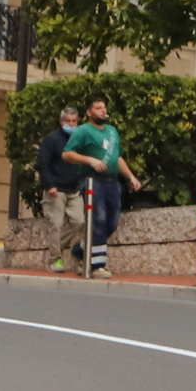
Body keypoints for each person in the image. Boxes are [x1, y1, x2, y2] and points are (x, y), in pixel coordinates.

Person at [61, 93, 142, 276]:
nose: (103, 110)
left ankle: (79, 251)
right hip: (92, 181)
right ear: (89, 112)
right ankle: (97, 265)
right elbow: (67, 154)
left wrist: (131, 176)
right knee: (98, 219)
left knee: (111, 223)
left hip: (112, 182)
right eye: (98, 108)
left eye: (104, 107)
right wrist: (90, 160)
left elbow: (117, 157)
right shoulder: (83, 131)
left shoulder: (112, 131)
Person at [35, 106, 83, 272]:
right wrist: (49, 185)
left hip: (73, 189)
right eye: (68, 121)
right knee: (56, 224)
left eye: (74, 121)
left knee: (79, 221)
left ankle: (55, 250)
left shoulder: (79, 140)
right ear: (61, 121)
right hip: (55, 189)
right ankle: (55, 260)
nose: (71, 124)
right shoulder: (51, 140)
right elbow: (42, 164)